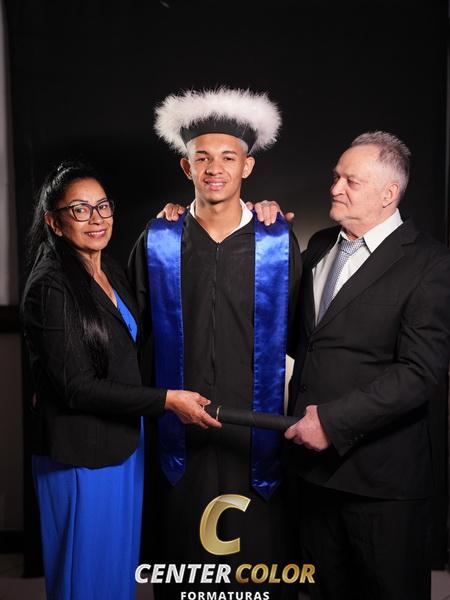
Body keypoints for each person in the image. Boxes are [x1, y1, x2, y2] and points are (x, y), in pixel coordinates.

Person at [128, 87, 302, 598]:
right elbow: (130, 332)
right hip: (178, 427)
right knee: (183, 559)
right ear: (187, 168)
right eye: (201, 157)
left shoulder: (277, 241)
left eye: (228, 157)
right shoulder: (159, 240)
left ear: (248, 165)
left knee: (256, 564)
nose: (214, 168)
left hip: (255, 429)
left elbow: (304, 333)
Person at [21, 160, 220, 600]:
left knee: (115, 574)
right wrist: (167, 401)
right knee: (83, 579)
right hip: (80, 456)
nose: (97, 219)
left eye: (103, 206)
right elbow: (77, 387)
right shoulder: (50, 285)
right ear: (54, 222)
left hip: (123, 445)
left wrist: (177, 218)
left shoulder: (107, 267)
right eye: (80, 209)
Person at [283, 131, 450, 600]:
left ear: (388, 193)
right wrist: (263, 233)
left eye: (350, 181)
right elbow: (301, 340)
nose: (335, 188)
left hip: (382, 485)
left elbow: (420, 373)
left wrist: (332, 422)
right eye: (336, 176)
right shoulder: (318, 245)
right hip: (311, 475)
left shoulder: (431, 264)